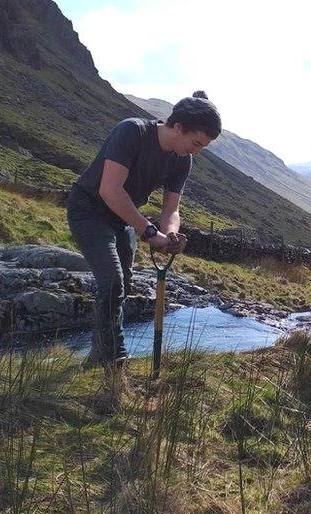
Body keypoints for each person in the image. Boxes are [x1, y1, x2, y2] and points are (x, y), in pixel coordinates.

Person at [67, 91, 221, 369]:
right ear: (178, 127)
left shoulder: (182, 160)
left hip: (122, 219)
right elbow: (110, 190)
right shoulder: (132, 132)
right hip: (89, 210)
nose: (197, 152)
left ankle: (97, 357)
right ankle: (116, 361)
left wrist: (171, 233)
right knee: (112, 281)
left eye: (203, 148)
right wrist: (150, 233)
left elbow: (171, 210)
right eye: (196, 143)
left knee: (120, 285)